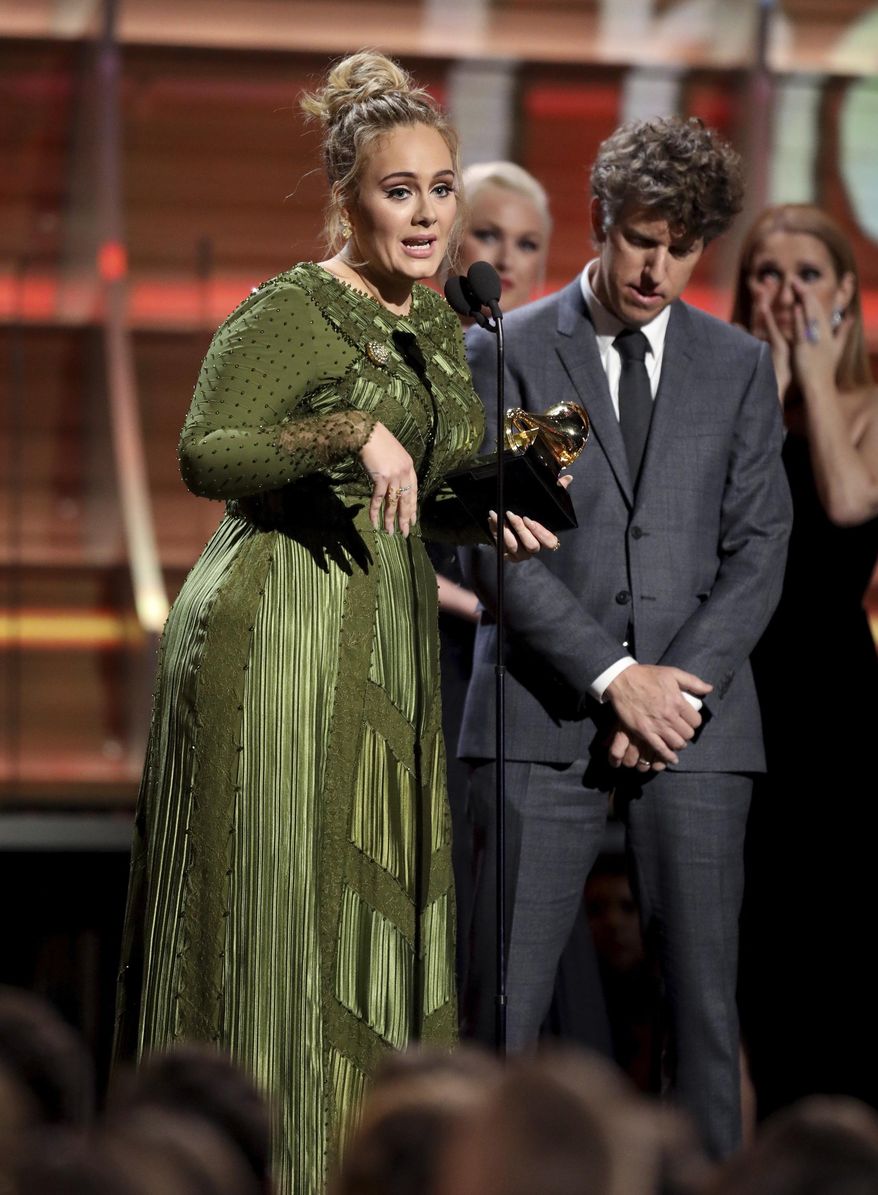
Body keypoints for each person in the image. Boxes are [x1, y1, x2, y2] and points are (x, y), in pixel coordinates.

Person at [113, 50, 560, 1195]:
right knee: (279, 924)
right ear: (348, 199)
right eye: (397, 190)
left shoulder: (437, 328)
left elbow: (421, 492)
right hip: (277, 644)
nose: (424, 214)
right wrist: (344, 432)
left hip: (380, 638)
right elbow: (206, 451)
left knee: (361, 921)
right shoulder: (293, 308)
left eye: (441, 188)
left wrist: (499, 493)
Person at [459, 116, 792, 1159]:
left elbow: (757, 548)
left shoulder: (734, 366)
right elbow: (499, 549)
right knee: (501, 1010)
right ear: (599, 223)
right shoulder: (514, 351)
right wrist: (614, 680)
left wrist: (669, 689)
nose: (656, 266)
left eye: (680, 246)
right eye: (640, 237)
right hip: (540, 708)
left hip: (693, 722)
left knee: (701, 1013)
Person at [731, 205, 878, 1117]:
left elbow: (850, 504)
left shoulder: (869, 406)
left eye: (808, 274)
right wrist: (763, 384)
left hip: (837, 705)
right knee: (754, 947)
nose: (786, 292)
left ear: (848, 293)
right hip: (739, 693)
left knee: (843, 943)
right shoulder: (718, 403)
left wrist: (816, 381)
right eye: (767, 274)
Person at [430, 161, 553, 989]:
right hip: (427, 655)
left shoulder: (546, 370)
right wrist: (477, 603)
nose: (506, 257)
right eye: (489, 234)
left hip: (515, 662)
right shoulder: (413, 352)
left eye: (528, 242)